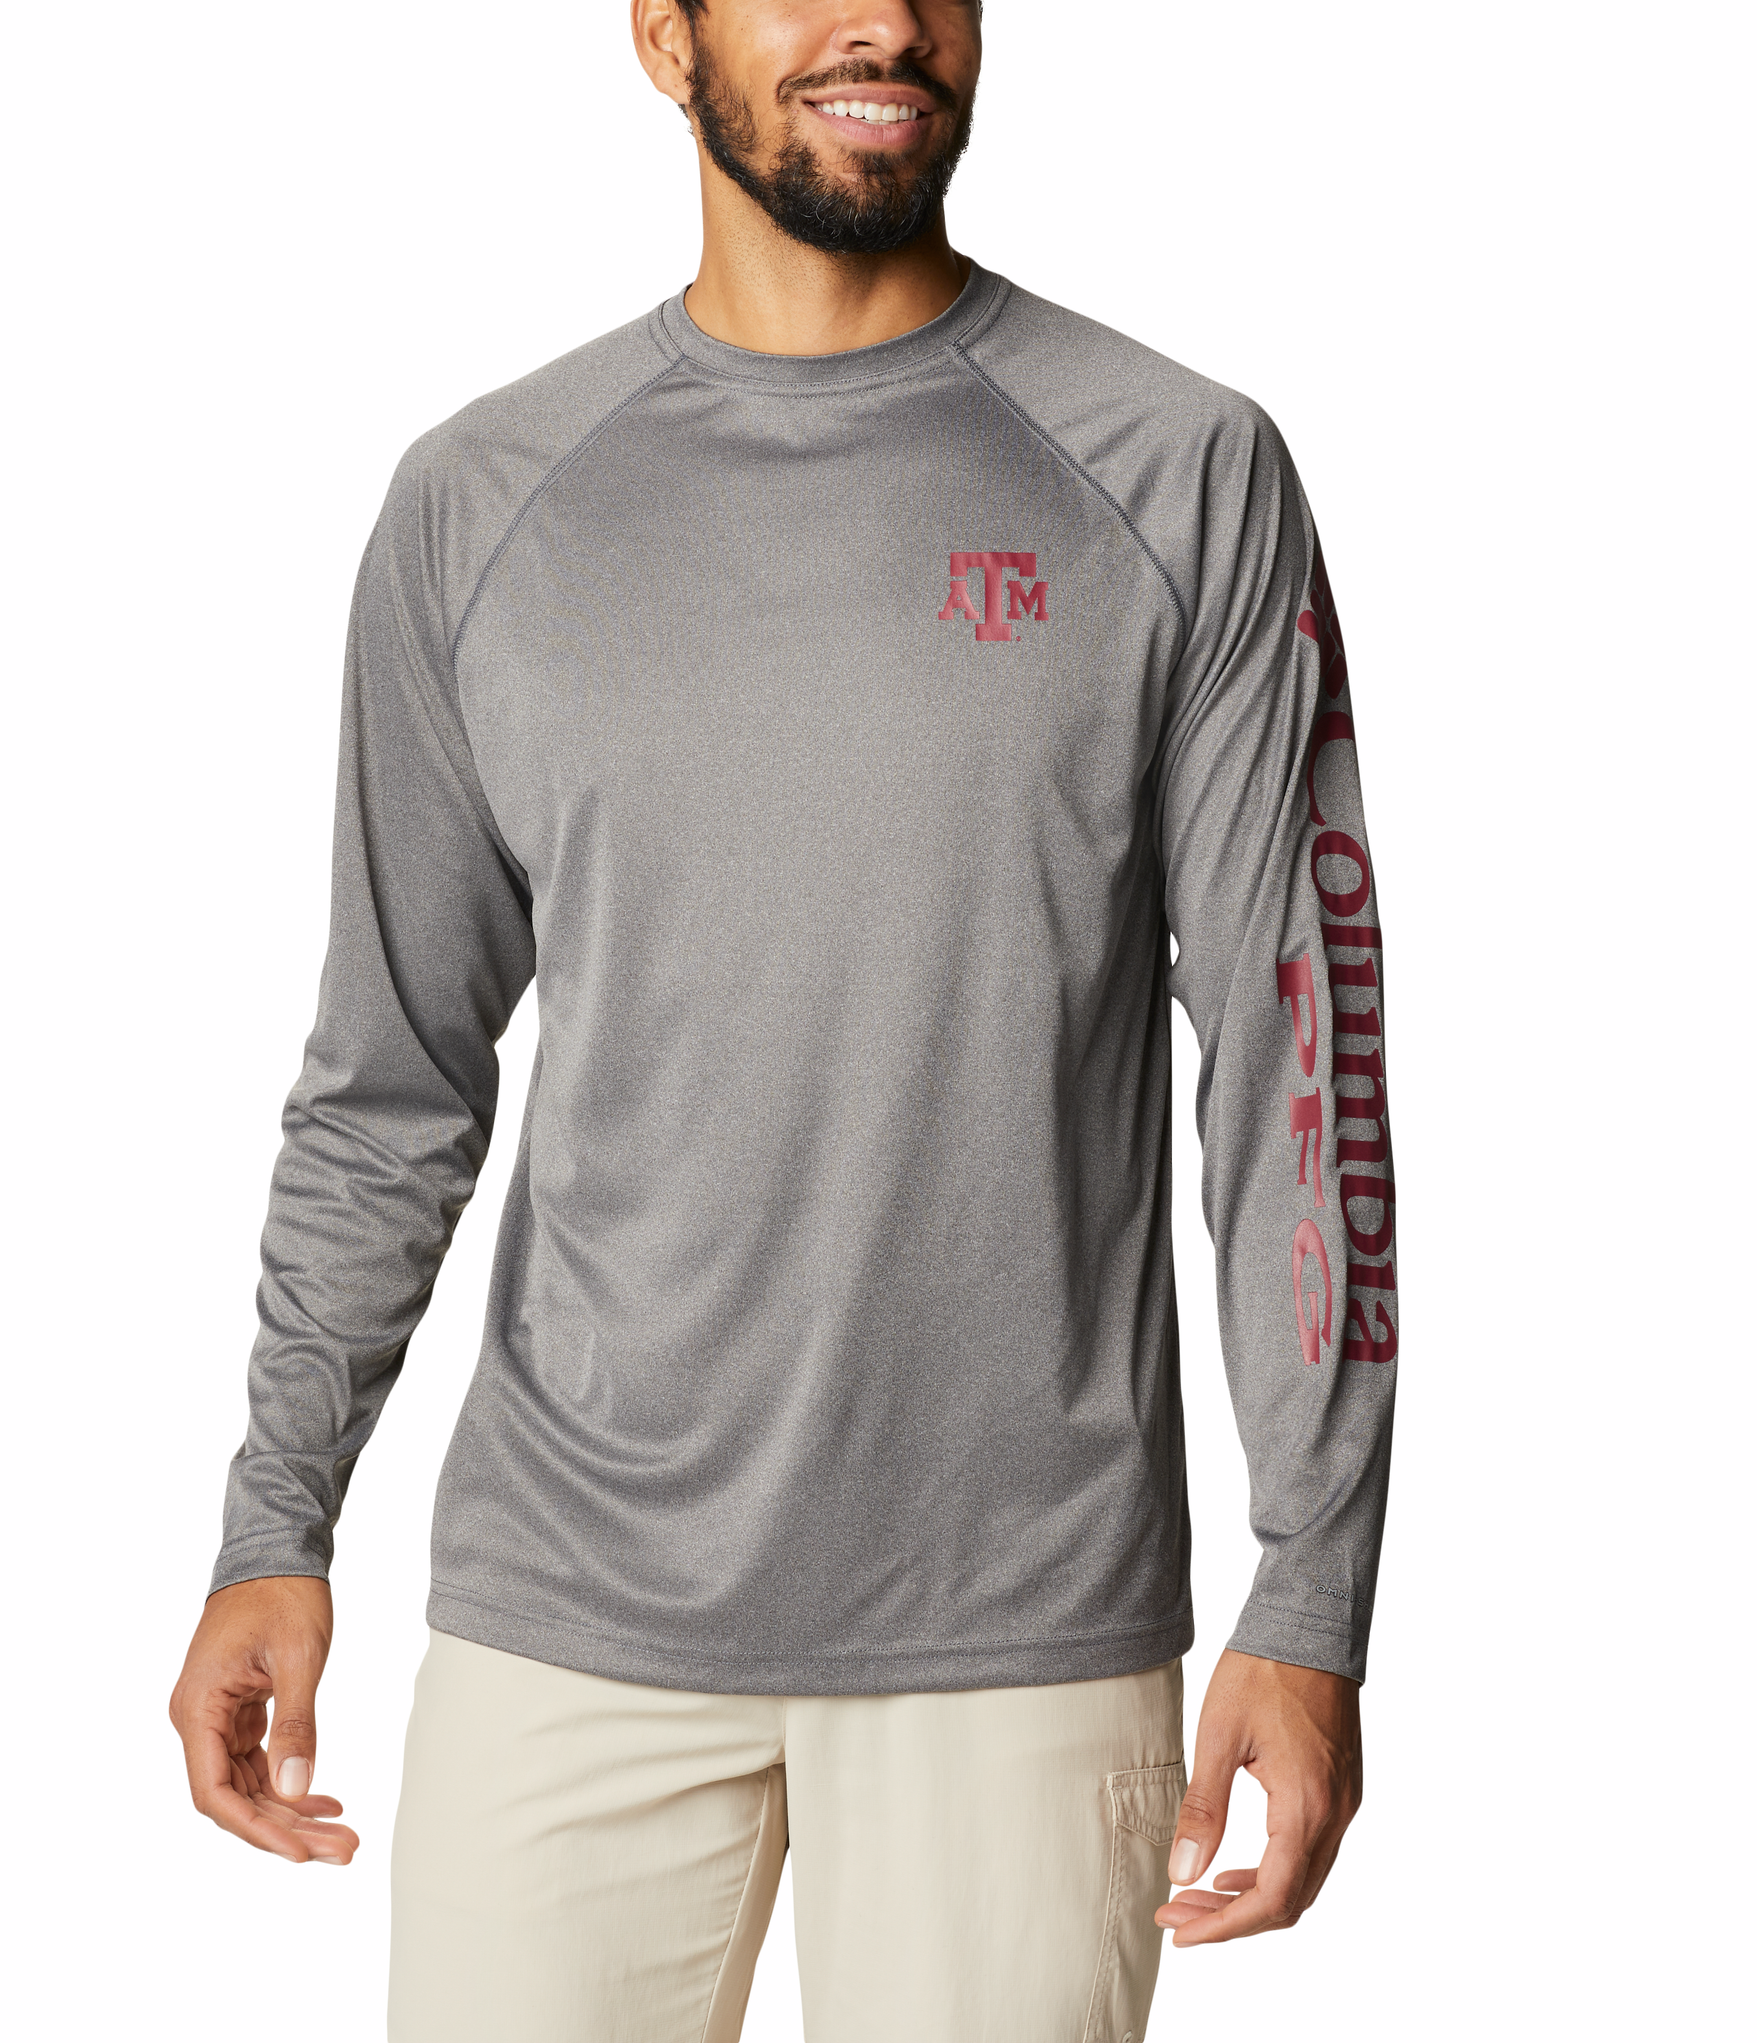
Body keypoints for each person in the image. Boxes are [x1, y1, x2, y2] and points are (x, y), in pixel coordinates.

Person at [168, 3, 1397, 2036]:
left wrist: (1313, 1583)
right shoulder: (482, 502)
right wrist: (271, 1520)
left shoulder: (1177, 470)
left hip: (1018, 1618)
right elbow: (389, 1082)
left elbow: (1295, 1064)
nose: (883, 19)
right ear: (664, 37)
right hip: (567, 1608)